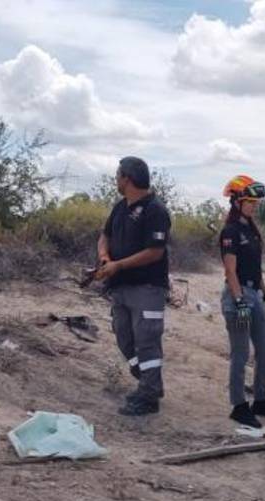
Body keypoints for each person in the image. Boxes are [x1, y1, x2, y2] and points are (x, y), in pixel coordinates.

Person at [96, 157, 172, 417]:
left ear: (127, 178)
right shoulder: (120, 207)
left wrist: (119, 266)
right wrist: (106, 259)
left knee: (147, 341)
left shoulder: (155, 210)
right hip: (120, 288)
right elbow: (105, 235)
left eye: (118, 174)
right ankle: (147, 379)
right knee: (124, 336)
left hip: (148, 289)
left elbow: (155, 252)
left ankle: (149, 395)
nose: (115, 179)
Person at [219, 174, 265, 428]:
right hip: (239, 297)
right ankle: (238, 405)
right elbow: (230, 271)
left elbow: (254, 269)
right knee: (241, 352)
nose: (255, 206)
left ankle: (261, 399)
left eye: (256, 203)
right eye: (250, 202)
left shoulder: (251, 230)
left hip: (254, 294)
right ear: (237, 202)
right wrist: (239, 300)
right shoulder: (231, 231)